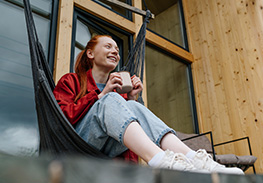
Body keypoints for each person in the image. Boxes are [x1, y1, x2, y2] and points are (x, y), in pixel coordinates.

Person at [53, 35, 244, 174]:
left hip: (106, 153)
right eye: (108, 47)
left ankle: (196, 161)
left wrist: (132, 98)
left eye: (117, 50)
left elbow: (127, 138)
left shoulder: (118, 91)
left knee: (134, 106)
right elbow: (61, 118)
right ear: (90, 53)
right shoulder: (71, 81)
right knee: (111, 99)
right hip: (77, 145)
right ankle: (161, 160)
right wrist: (102, 94)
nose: (115, 52)